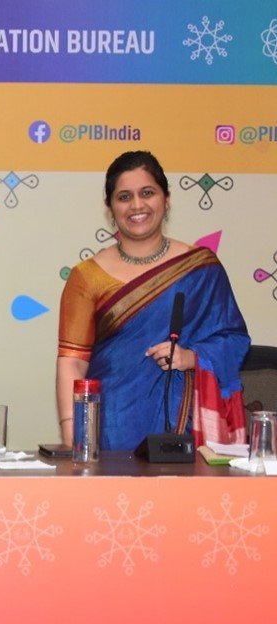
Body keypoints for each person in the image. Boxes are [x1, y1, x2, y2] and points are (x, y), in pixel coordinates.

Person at [56, 150, 250, 450]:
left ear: (166, 199)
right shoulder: (87, 276)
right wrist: (73, 434)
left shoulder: (201, 268)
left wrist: (191, 358)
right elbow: (72, 362)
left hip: (182, 428)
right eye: (124, 197)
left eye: (147, 193)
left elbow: (234, 340)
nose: (137, 205)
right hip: (110, 426)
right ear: (110, 208)